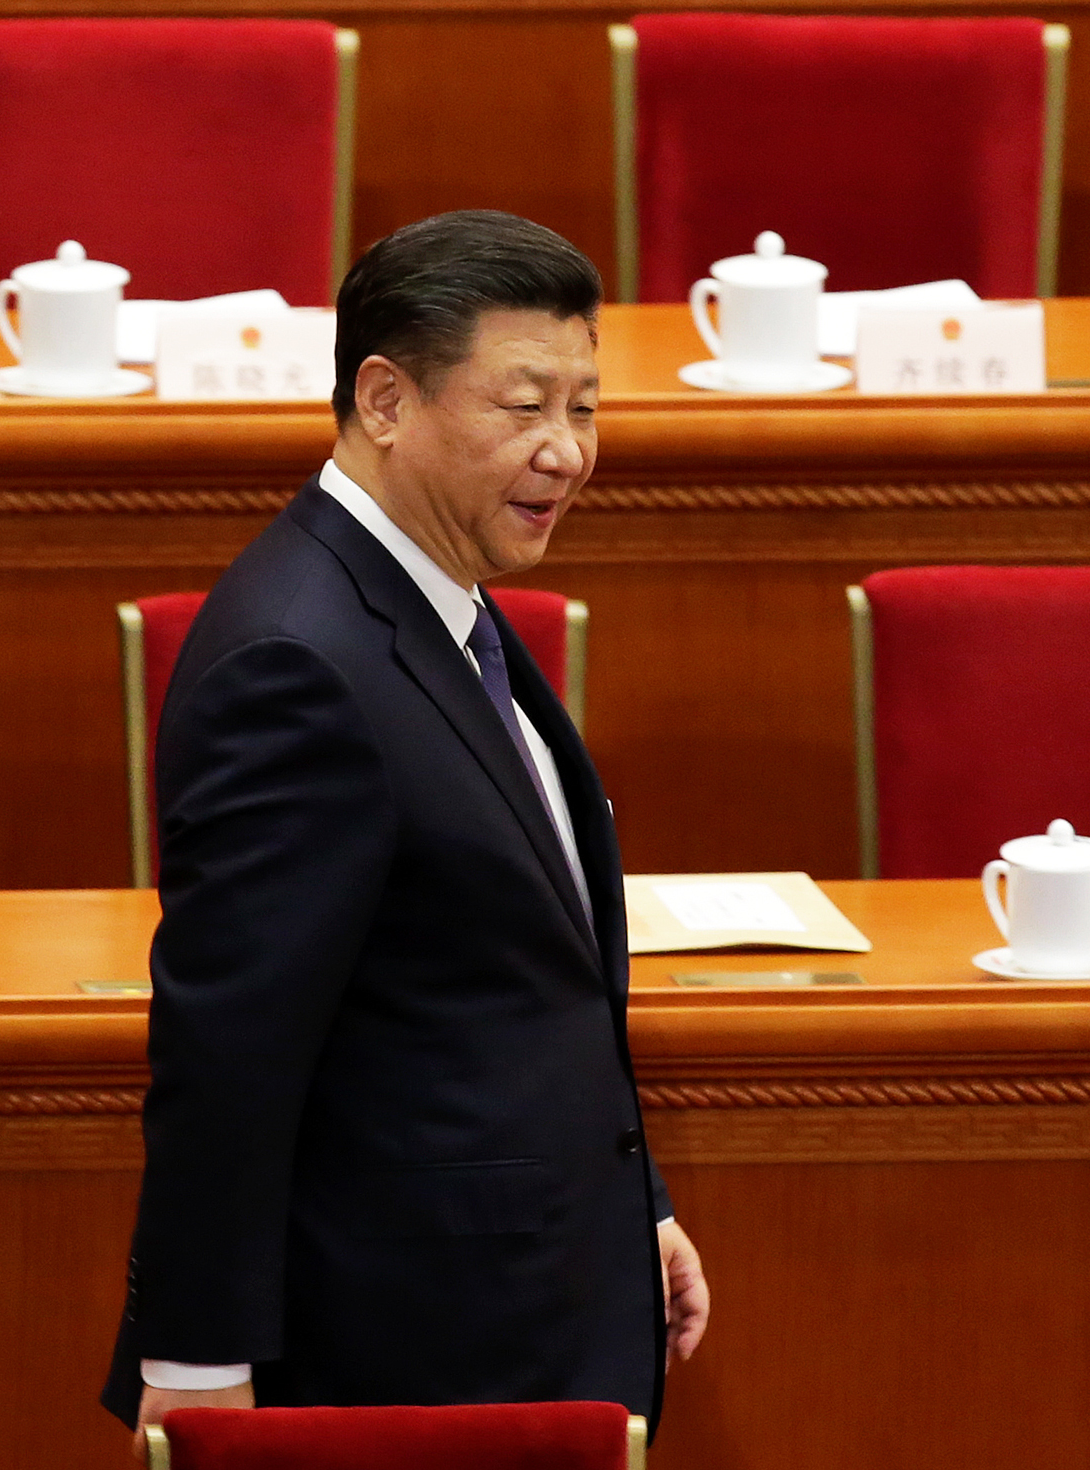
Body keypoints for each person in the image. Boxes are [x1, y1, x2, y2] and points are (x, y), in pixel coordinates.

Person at [100, 210, 709, 1446]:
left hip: (515, 1304)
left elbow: (505, 979)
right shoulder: (297, 658)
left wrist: (627, 1204)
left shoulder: (442, 606)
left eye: (585, 408)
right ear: (384, 400)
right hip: (405, 1348)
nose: (566, 451)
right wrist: (202, 1360)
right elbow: (229, 1049)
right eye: (523, 406)